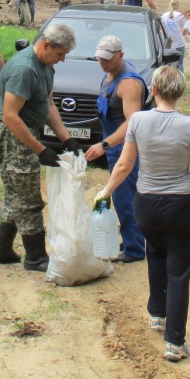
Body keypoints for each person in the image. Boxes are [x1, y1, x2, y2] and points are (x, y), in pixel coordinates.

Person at [93, 66, 190, 362]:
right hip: (181, 206)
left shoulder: (137, 121)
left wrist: (105, 192)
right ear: (179, 93)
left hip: (146, 204)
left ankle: (157, 314)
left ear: (155, 91)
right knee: (179, 271)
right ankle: (175, 342)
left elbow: (123, 165)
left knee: (156, 253)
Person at [0, 24, 81, 271]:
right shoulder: (24, 69)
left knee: (16, 193)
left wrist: (66, 138)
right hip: (13, 134)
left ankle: (2, 251)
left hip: (26, 130)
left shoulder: (46, 66)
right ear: (46, 45)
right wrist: (39, 149)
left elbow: (48, 103)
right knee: (28, 196)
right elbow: (10, 116)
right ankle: (35, 257)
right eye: (60, 54)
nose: (62, 60)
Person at [83, 36, 149, 263]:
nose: (102, 63)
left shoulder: (129, 83)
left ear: (120, 55)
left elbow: (132, 122)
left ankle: (135, 249)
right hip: (113, 143)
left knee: (125, 198)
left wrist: (104, 145)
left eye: (107, 60)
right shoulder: (109, 73)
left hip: (125, 147)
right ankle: (132, 239)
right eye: (99, 59)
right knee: (122, 197)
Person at [160, 0, 186, 73]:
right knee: (180, 63)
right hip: (179, 42)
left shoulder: (164, 15)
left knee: (167, 63)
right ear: (178, 5)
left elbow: (161, 29)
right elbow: (185, 30)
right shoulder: (180, 16)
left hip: (168, 43)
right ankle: (181, 78)